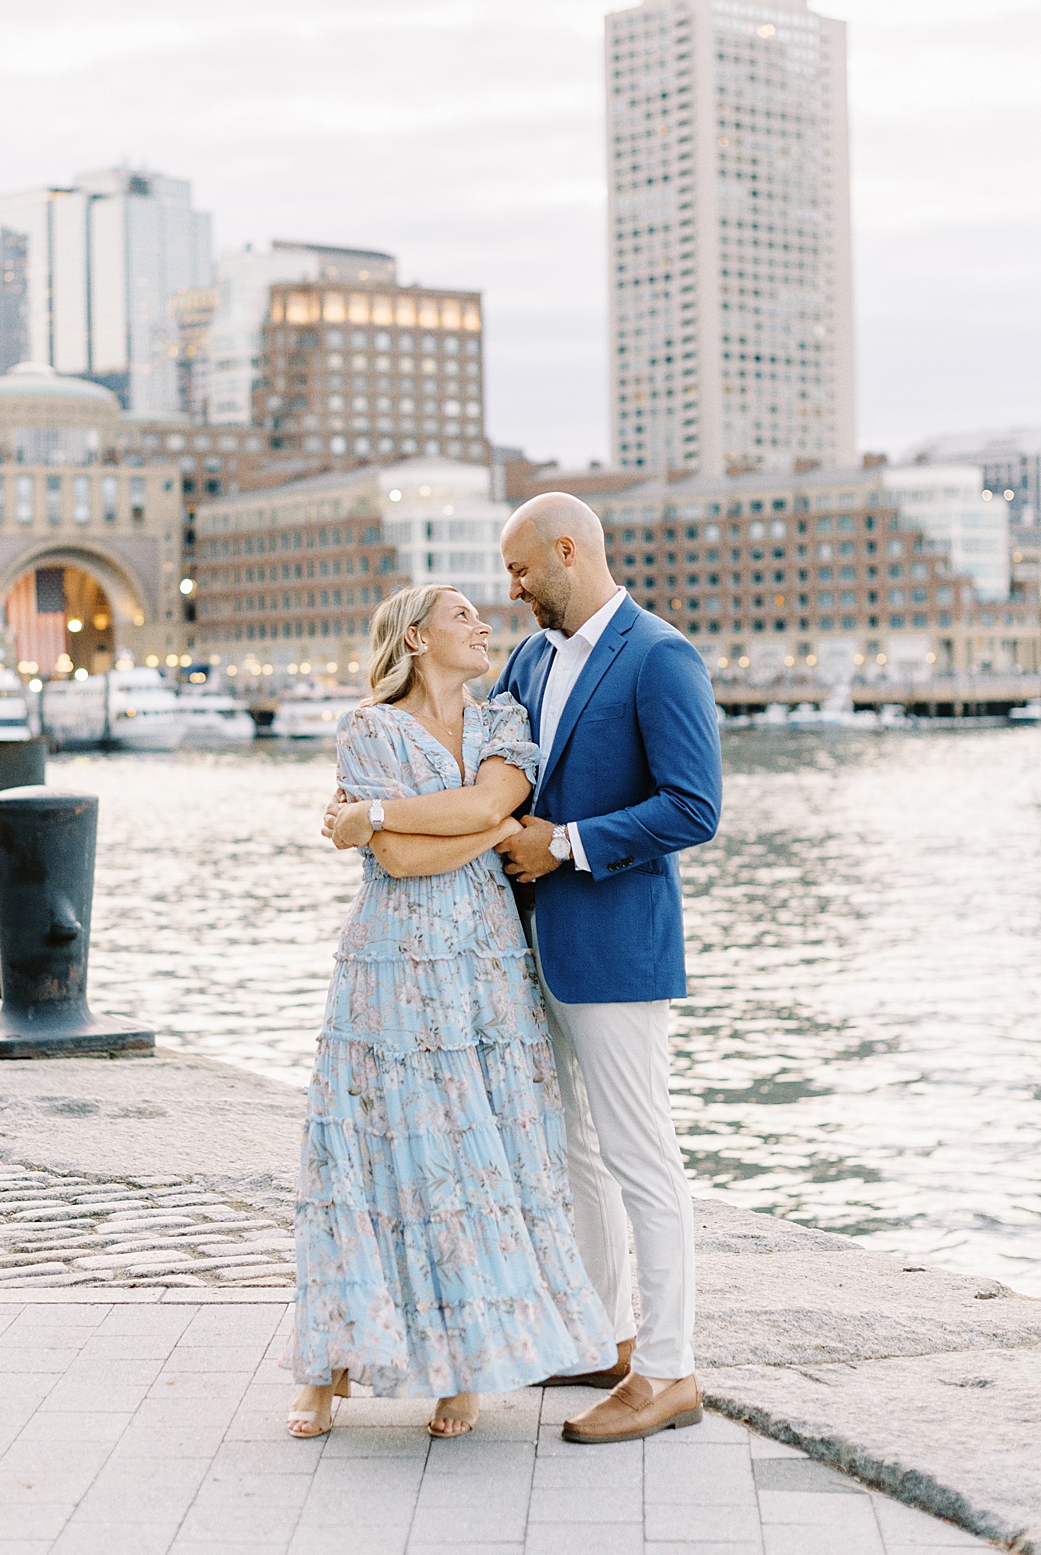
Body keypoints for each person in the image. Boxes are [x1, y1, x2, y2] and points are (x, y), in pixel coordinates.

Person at [285, 582, 616, 1440]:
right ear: (417, 638)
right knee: (362, 1157)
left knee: (476, 1161)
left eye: (482, 613)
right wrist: (474, 825)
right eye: (461, 614)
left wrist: (393, 816)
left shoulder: (504, 720)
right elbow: (396, 861)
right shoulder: (367, 727)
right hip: (388, 968)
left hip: (485, 970)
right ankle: (326, 1371)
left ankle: (464, 1368)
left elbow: (469, 809)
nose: (482, 624)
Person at [492, 492, 722, 1445]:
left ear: (566, 551)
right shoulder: (530, 657)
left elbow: (694, 807)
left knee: (640, 1158)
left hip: (619, 949)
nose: (512, 591)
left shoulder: (660, 656)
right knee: (573, 1152)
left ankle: (668, 1372)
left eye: (521, 572)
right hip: (536, 943)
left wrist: (571, 845)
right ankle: (601, 1337)